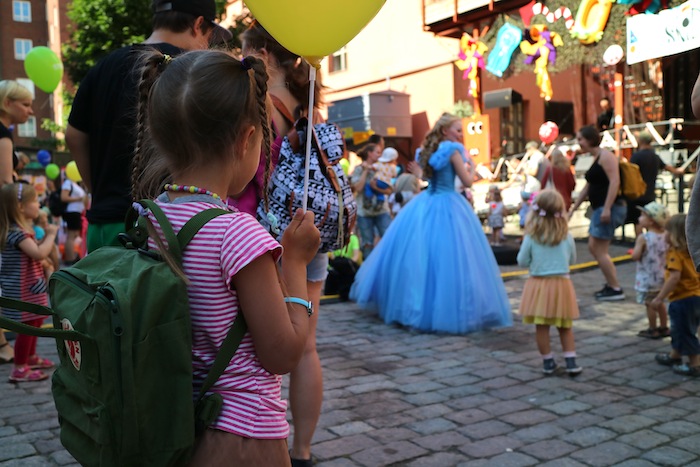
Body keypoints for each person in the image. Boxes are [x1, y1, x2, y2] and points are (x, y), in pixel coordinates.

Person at [131, 49, 320, 464]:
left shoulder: (147, 218)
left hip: (175, 428)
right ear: (246, 139)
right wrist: (294, 263)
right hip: (243, 436)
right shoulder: (237, 235)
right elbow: (283, 355)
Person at [65, 0, 232, 253]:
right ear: (198, 24)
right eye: (210, 36)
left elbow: (73, 135)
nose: (208, 46)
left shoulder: (104, 65)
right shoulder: (189, 72)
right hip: (154, 228)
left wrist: (98, 189)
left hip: (102, 225)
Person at [238, 21, 327, 466]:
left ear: (263, 55)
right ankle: (303, 450)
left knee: (266, 346)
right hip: (312, 234)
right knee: (305, 344)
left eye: (244, 52)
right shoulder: (309, 108)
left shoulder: (262, 109)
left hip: (270, 241)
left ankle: (263, 443)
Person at [350, 113, 512, 334]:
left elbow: (426, 177)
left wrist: (420, 173)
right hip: (448, 203)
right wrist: (472, 167)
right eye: (457, 130)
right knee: (452, 257)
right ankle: (449, 308)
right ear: (445, 131)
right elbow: (466, 182)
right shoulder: (453, 151)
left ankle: (414, 305)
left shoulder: (428, 150)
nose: (461, 134)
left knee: (422, 255)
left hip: (427, 202)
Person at [517, 189, 582, 376]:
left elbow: (522, 261)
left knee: (542, 326)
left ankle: (548, 362)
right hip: (562, 285)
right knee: (565, 326)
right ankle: (571, 362)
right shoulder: (567, 236)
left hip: (539, 285)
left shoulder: (531, 236)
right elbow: (572, 260)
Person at [0, 183, 58, 382]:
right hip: (23, 290)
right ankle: (19, 367)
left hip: (30, 287)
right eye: (34, 200)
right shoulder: (18, 233)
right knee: (27, 327)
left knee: (35, 321)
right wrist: (51, 235)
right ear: (20, 207)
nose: (38, 204)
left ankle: (30, 357)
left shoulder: (20, 232)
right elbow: (38, 253)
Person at [568, 125, 627, 301]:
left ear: (589, 139)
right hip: (601, 208)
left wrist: (607, 207)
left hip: (607, 208)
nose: (579, 143)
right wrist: (574, 208)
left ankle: (615, 287)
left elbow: (615, 181)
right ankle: (612, 284)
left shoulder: (606, 157)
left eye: (580, 139)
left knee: (598, 249)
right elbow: (588, 187)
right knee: (596, 248)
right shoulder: (597, 158)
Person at [652, 214, 700, 377]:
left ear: (674, 235)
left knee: (684, 331)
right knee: (680, 329)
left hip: (682, 299)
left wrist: (659, 297)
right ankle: (675, 355)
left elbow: (674, 278)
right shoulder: (693, 253)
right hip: (696, 297)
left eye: (666, 231)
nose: (663, 234)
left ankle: (695, 363)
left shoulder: (675, 254)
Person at [628, 131, 684, 236]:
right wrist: (677, 171)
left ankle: (641, 242)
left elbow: (629, 173)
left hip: (637, 194)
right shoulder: (655, 156)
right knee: (650, 220)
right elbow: (667, 167)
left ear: (640, 141)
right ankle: (650, 241)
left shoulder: (636, 156)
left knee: (638, 221)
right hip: (650, 193)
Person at [631, 202, 670, 339]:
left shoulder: (644, 238)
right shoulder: (666, 235)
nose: (639, 218)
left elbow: (636, 256)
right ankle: (664, 327)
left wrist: (635, 247)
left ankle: (652, 328)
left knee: (649, 304)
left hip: (648, 278)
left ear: (651, 221)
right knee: (660, 302)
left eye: (642, 216)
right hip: (662, 276)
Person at [351, 143, 392, 260]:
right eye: (377, 152)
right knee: (367, 243)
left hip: (381, 211)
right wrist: (365, 171)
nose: (380, 155)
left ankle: (387, 264)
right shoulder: (359, 169)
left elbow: (389, 190)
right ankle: (368, 267)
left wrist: (376, 188)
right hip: (364, 212)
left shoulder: (382, 168)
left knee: (388, 238)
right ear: (369, 153)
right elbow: (358, 188)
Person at [0, 80, 34, 185]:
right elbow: (5, 182)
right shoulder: (3, 134)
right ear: (7, 103)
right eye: (26, 105)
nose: (31, 111)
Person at [60, 178, 87, 264]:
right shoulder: (68, 182)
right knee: (71, 236)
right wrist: (78, 199)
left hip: (77, 212)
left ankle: (73, 256)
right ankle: (70, 258)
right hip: (72, 212)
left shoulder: (75, 183)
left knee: (75, 235)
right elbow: (64, 197)